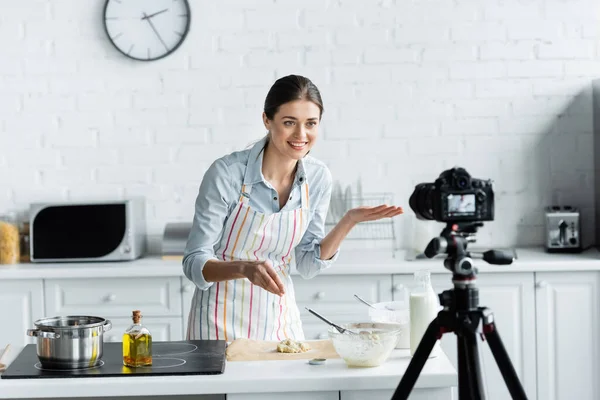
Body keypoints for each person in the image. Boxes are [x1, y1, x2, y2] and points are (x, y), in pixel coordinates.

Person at [182, 74, 403, 342]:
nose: (301, 135)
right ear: (267, 120)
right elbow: (194, 262)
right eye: (289, 123)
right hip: (219, 322)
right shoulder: (227, 174)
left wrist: (348, 221)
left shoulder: (318, 178)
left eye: (311, 123)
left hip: (279, 322)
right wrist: (244, 269)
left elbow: (308, 264)